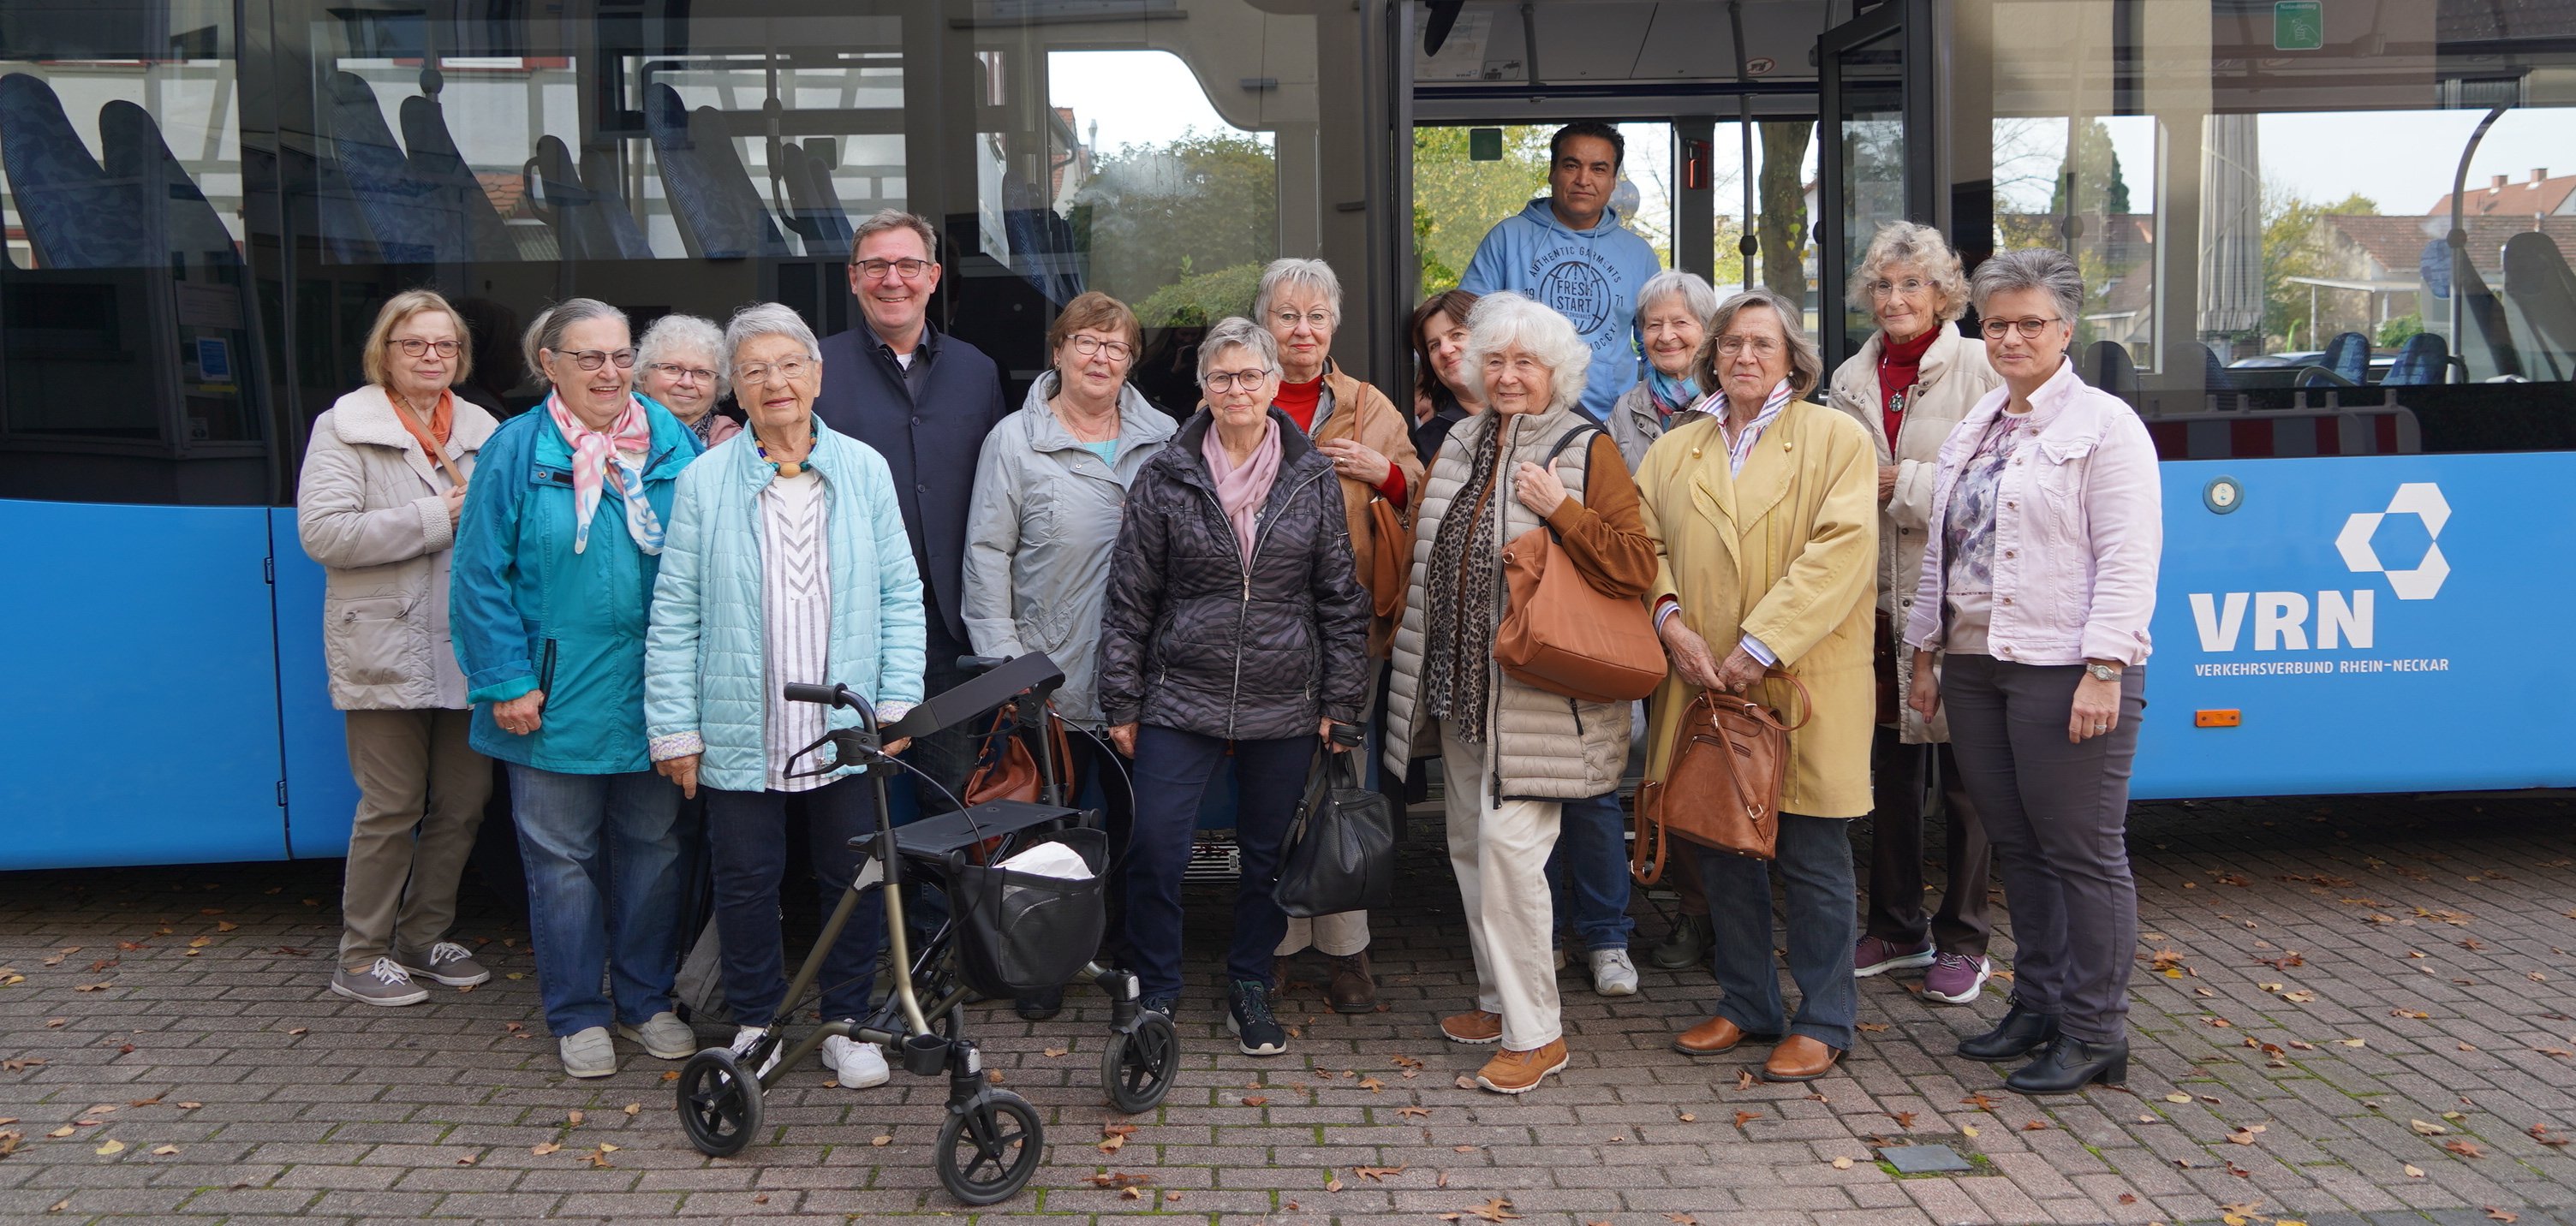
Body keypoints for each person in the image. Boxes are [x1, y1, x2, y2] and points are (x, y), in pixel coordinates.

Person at [646, 303, 926, 1092]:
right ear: (735, 389)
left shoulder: (864, 469)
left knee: (852, 877)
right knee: (746, 881)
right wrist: (674, 730)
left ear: (817, 375)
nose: (776, 382)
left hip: (844, 722)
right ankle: (757, 1023)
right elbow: (675, 613)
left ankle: (848, 1023)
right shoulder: (704, 481)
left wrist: (896, 702)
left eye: (790, 365)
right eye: (755, 370)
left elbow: (901, 594)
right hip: (742, 722)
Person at [1383, 292, 1657, 1094]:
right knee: (1472, 850)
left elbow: (1636, 562)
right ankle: (1500, 1001)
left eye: (1525, 362)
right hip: (1461, 690)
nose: (1507, 376)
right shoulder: (1461, 440)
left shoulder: (1584, 445)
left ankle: (1537, 1035)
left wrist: (1560, 508)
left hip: (1538, 699)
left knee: (1508, 857)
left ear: (1555, 371)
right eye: (1495, 360)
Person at [1905, 247, 2160, 1095]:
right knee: (2018, 845)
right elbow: (1943, 553)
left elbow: (2128, 557)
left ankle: (2095, 1030)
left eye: (2030, 323)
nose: (2011, 338)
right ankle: (2040, 1005)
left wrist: (2105, 667)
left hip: (2064, 667)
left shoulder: (2105, 426)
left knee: (2082, 852)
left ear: (2066, 328)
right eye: (1996, 324)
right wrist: (1925, 654)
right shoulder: (1979, 423)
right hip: (1977, 664)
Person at [1096, 315, 1371, 1055]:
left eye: (1251, 375)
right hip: (1179, 693)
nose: (1237, 389)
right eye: (1222, 377)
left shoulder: (1311, 475)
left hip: (1285, 697)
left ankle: (1250, 982)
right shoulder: (1166, 474)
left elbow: (1338, 597)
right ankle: (1157, 988)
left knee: (1267, 856)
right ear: (1202, 388)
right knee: (1156, 847)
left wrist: (1340, 702)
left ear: (1275, 384)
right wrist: (1122, 700)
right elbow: (1130, 599)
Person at [450, 297, 703, 1078]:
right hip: (549, 697)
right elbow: (479, 575)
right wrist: (506, 679)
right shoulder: (515, 449)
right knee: (562, 862)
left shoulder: (676, 443)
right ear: (549, 364)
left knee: (655, 852)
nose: (609, 372)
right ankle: (578, 1011)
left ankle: (646, 1000)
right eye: (589, 357)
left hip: (656, 692)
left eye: (621, 356)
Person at [1635, 286, 1876, 1084]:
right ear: (1712, 356)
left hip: (1799, 680)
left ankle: (1825, 1019)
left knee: (1811, 855)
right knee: (1724, 846)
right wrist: (1670, 622)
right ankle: (1746, 1003)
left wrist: (1761, 644)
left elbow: (1842, 550)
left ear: (1793, 360)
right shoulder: (1675, 447)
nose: (1744, 356)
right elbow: (1644, 544)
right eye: (1731, 343)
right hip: (1702, 680)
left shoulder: (1836, 438)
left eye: (1761, 344)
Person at [963, 291, 1175, 1020]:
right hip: (1047, 676)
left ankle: (1122, 951)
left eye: (1116, 346)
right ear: (1058, 351)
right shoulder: (1013, 441)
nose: (1100, 357)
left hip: (1141, 679)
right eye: (1086, 342)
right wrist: (1008, 667)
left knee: (1136, 824)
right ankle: (1041, 960)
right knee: (1047, 825)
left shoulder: (1165, 438)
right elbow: (986, 554)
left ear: (1131, 361)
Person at [297, 289, 500, 1007]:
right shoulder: (344, 427)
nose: (431, 356)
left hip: (467, 646)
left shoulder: (484, 429)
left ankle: (421, 938)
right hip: (384, 643)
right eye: (414, 343)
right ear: (383, 352)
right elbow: (324, 535)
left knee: (464, 803)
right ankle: (360, 956)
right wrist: (435, 515)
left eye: (445, 344)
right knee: (391, 805)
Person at [1823, 221, 2004, 1005]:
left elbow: (2002, 484)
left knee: (1967, 780)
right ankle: (1897, 926)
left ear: (1943, 293)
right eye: (1883, 285)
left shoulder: (1981, 366)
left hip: (1959, 600)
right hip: (1875, 602)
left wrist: (1905, 484)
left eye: (1912, 284)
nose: (1895, 298)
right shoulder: (1848, 378)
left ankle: (1964, 940)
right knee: (1891, 776)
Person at [1254, 257, 1422, 1013]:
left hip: (1350, 624)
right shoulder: (1238, 391)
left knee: (1345, 780)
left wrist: (1384, 470)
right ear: (1264, 323)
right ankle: (1279, 942)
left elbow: (1422, 493)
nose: (1303, 330)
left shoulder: (1367, 403)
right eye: (1288, 315)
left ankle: (1348, 950)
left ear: (1334, 327)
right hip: (1260, 629)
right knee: (1276, 783)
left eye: (1317, 316)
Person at [813, 210, 1010, 814]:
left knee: (952, 803)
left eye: (907, 265)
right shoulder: (813, 370)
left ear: (933, 277)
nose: (892, 279)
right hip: (848, 624)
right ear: (853, 278)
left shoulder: (978, 371)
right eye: (876, 266)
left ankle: (935, 888)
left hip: (951, 628)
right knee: (848, 801)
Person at [1594, 269, 1725, 975]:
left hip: (1735, 611)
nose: (1667, 336)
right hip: (1660, 610)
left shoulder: (1736, 399)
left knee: (1740, 767)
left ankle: (1746, 918)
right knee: (1674, 772)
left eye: (1682, 323)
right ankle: (1697, 913)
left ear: (1708, 331)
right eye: (1654, 325)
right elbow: (1626, 514)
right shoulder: (1628, 410)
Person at [1458, 122, 1663, 423]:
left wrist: (1656, 410)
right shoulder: (1507, 238)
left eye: (1598, 169)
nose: (1583, 179)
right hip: (1522, 417)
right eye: (1571, 166)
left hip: (1612, 421)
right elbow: (1465, 329)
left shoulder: (1638, 254)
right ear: (1552, 172)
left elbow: (1657, 344)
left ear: (1613, 181)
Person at [637, 313, 741, 448]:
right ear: (644, 377)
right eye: (673, 368)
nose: (687, 383)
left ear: (718, 387)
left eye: (702, 372)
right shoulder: (616, 436)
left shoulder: (739, 447)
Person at [1408, 288, 1483, 467]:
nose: (1445, 350)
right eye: (1434, 345)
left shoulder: (1537, 411)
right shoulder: (1430, 441)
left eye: (1456, 335)